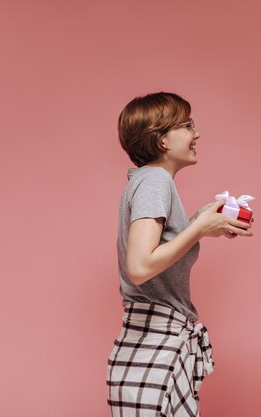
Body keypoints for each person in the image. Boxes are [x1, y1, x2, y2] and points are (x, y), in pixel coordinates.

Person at [106, 92, 252, 417]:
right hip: (155, 342)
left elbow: (156, 251)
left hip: (152, 343)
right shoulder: (155, 181)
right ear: (160, 140)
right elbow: (140, 266)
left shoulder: (147, 181)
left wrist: (199, 221)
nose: (196, 133)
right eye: (186, 126)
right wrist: (198, 229)